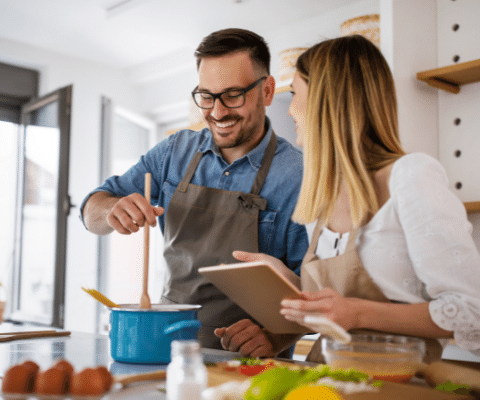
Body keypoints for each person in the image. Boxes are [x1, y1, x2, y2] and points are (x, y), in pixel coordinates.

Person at [215, 35, 480, 361]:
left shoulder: (411, 176)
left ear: (328, 100)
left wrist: (357, 313)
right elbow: (337, 308)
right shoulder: (321, 199)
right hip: (328, 379)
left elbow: (471, 312)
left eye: (295, 94)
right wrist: (280, 308)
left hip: (400, 385)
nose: (291, 108)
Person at [80, 28, 309, 350]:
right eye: (206, 96)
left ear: (268, 91)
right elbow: (91, 211)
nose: (217, 112)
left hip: (248, 358)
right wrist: (111, 210)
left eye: (233, 95)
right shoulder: (174, 152)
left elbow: (312, 292)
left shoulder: (298, 176)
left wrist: (277, 334)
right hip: (167, 344)